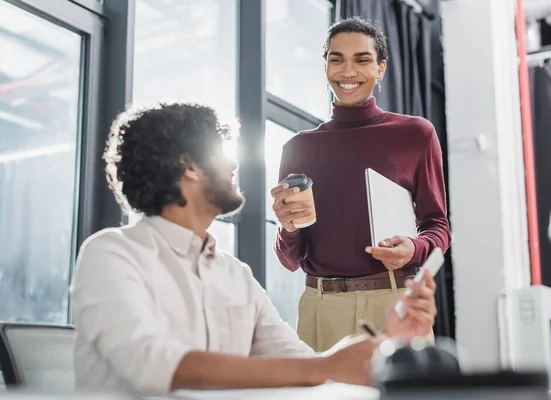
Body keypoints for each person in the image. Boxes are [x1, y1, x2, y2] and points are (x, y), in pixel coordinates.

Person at [71, 102, 439, 396]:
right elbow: (152, 366)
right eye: (220, 152)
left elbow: (304, 365)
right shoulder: (111, 255)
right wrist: (323, 367)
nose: (233, 164)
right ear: (189, 166)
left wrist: (391, 340)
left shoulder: (235, 276)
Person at [271, 17, 451, 352]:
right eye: (336, 59)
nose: (347, 71)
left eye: (362, 60)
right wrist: (287, 226)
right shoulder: (298, 147)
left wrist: (415, 249)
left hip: (394, 298)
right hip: (320, 305)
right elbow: (289, 258)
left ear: (381, 68)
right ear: (325, 66)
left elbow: (438, 226)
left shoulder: (415, 134)